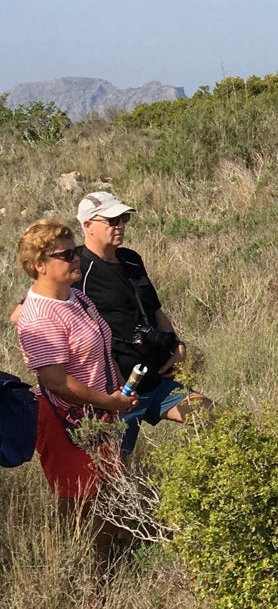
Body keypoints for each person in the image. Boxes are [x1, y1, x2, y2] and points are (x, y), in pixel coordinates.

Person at [14, 219, 138, 561]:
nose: (76, 259)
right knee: (83, 501)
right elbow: (56, 382)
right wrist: (109, 401)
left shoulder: (78, 297)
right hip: (67, 423)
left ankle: (115, 560)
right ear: (40, 265)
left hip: (101, 413)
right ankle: (91, 576)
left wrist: (119, 393)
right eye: (65, 254)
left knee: (110, 491)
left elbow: (102, 347)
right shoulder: (39, 317)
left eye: (75, 251)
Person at [75, 191, 213, 457]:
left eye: (123, 218)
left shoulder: (130, 259)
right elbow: (29, 309)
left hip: (157, 379)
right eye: (112, 220)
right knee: (111, 473)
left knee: (214, 419)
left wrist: (177, 345)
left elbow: (155, 309)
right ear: (88, 225)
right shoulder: (76, 268)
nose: (121, 225)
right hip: (117, 392)